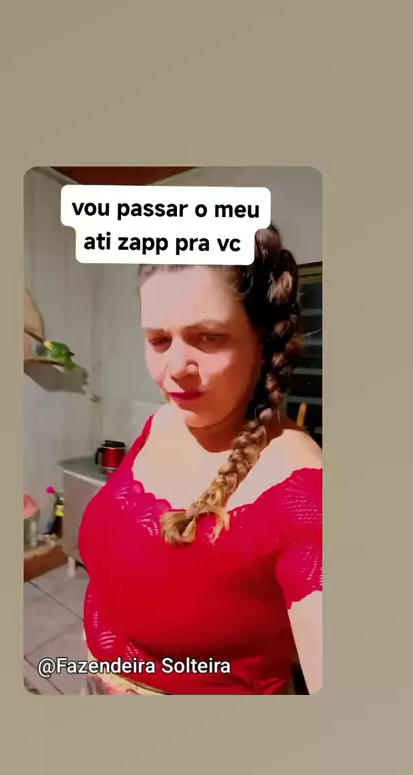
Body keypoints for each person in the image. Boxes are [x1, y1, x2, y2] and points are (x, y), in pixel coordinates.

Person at [79, 225, 322, 695]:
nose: (174, 369)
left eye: (208, 337)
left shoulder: (306, 495)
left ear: (263, 340)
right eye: (158, 340)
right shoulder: (165, 420)